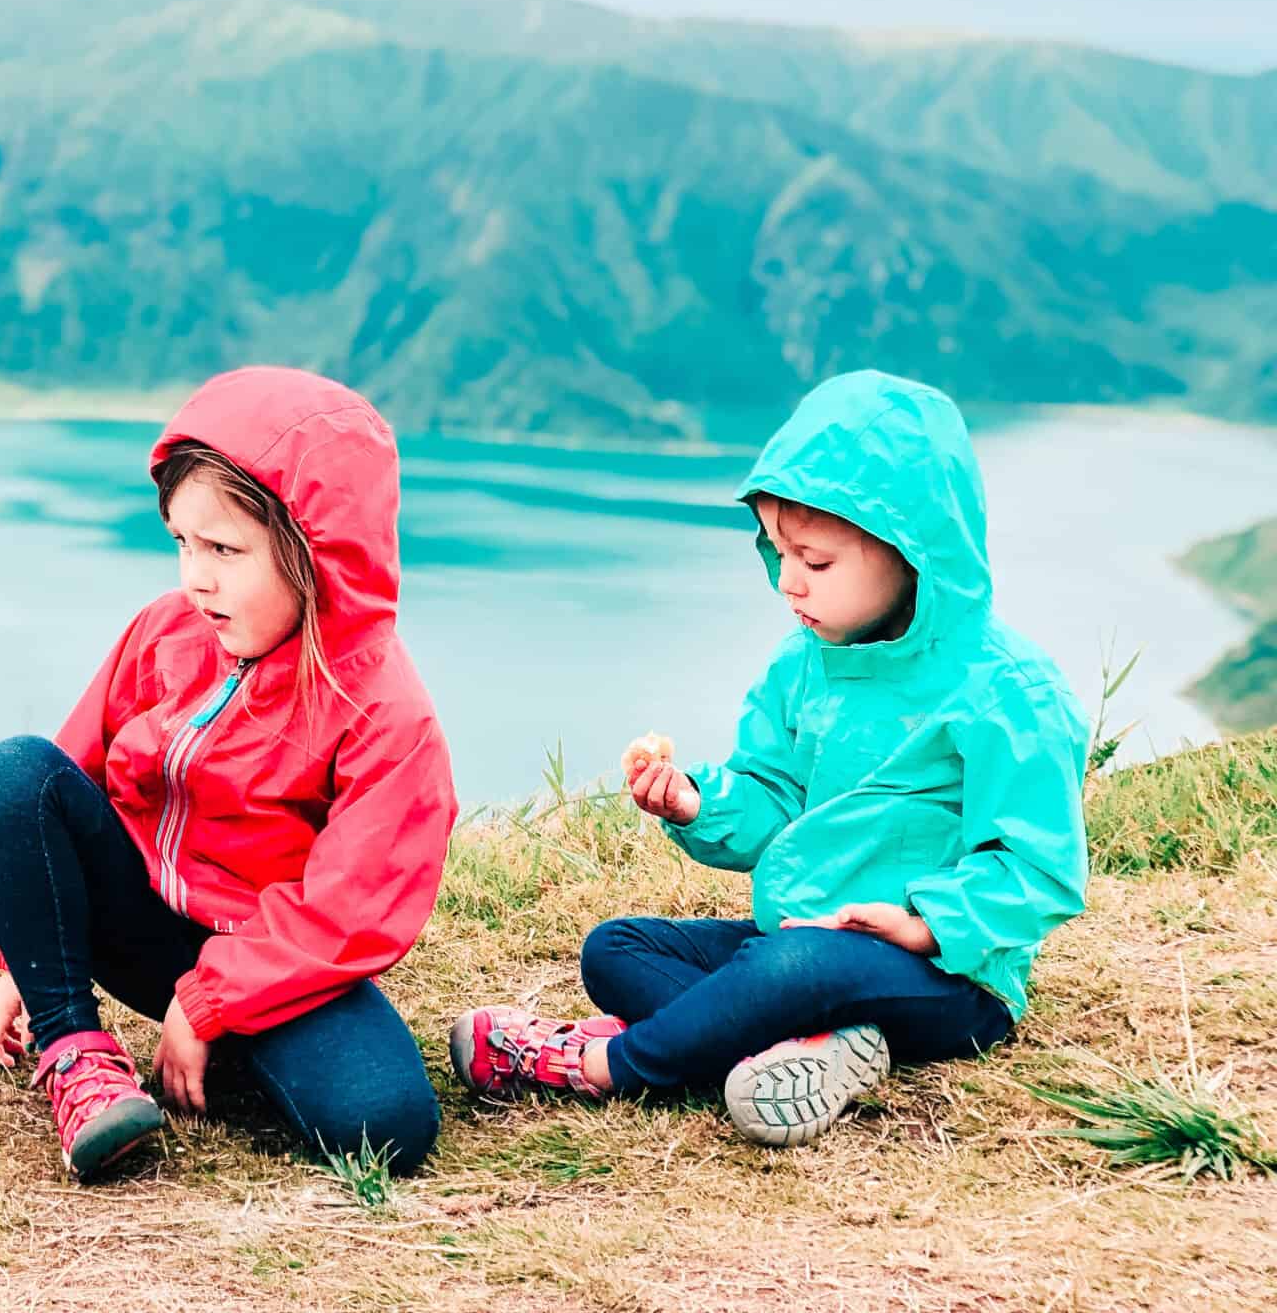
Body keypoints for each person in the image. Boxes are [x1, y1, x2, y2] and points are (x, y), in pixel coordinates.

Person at [449, 370, 1089, 1147]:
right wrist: (694, 802)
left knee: (796, 968)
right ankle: (817, 1050)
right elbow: (774, 799)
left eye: (816, 563)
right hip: (793, 941)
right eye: (778, 552)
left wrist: (923, 925)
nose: (788, 584)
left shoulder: (1006, 690)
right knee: (615, 948)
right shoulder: (804, 665)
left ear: (911, 552)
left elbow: (1039, 868)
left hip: (948, 975)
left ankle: (599, 1065)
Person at [0, 366, 456, 1180]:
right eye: (183, 544)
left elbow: (350, 910)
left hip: (275, 955)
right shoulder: (166, 632)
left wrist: (209, 1004)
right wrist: (29, 964)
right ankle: (78, 1056)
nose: (196, 577)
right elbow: (67, 785)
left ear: (315, 556)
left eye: (225, 550)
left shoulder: (384, 713)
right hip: (143, 924)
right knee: (14, 774)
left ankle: (220, 1056)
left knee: (388, 1122)